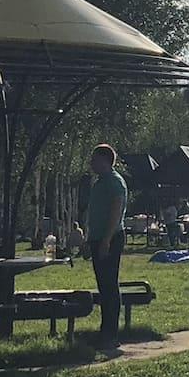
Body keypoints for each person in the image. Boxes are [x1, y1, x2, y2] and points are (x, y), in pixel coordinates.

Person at [86, 145, 129, 338]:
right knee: (103, 285)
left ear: (105, 161)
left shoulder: (114, 182)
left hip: (110, 238)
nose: (91, 163)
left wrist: (106, 240)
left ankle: (111, 332)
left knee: (109, 284)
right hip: (98, 238)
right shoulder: (99, 182)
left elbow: (115, 212)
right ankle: (105, 329)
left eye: (95, 159)